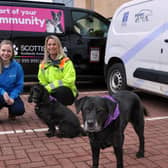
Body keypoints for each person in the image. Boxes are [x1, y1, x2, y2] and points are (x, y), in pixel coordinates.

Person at [38, 35, 78, 106]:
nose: (51, 47)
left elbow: (69, 80)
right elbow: (42, 81)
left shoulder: (66, 62)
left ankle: (61, 112)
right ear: (46, 47)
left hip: (66, 92)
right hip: (50, 90)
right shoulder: (43, 64)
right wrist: (44, 91)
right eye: (49, 45)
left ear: (58, 46)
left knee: (60, 91)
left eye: (54, 44)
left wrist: (50, 87)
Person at [0, 40, 25, 120]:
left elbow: (19, 85)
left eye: (9, 51)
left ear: (12, 53)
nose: (6, 53)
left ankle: (12, 111)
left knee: (19, 110)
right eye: (3, 50)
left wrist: (12, 97)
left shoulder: (17, 67)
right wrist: (3, 92)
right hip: (1, 94)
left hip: (11, 95)